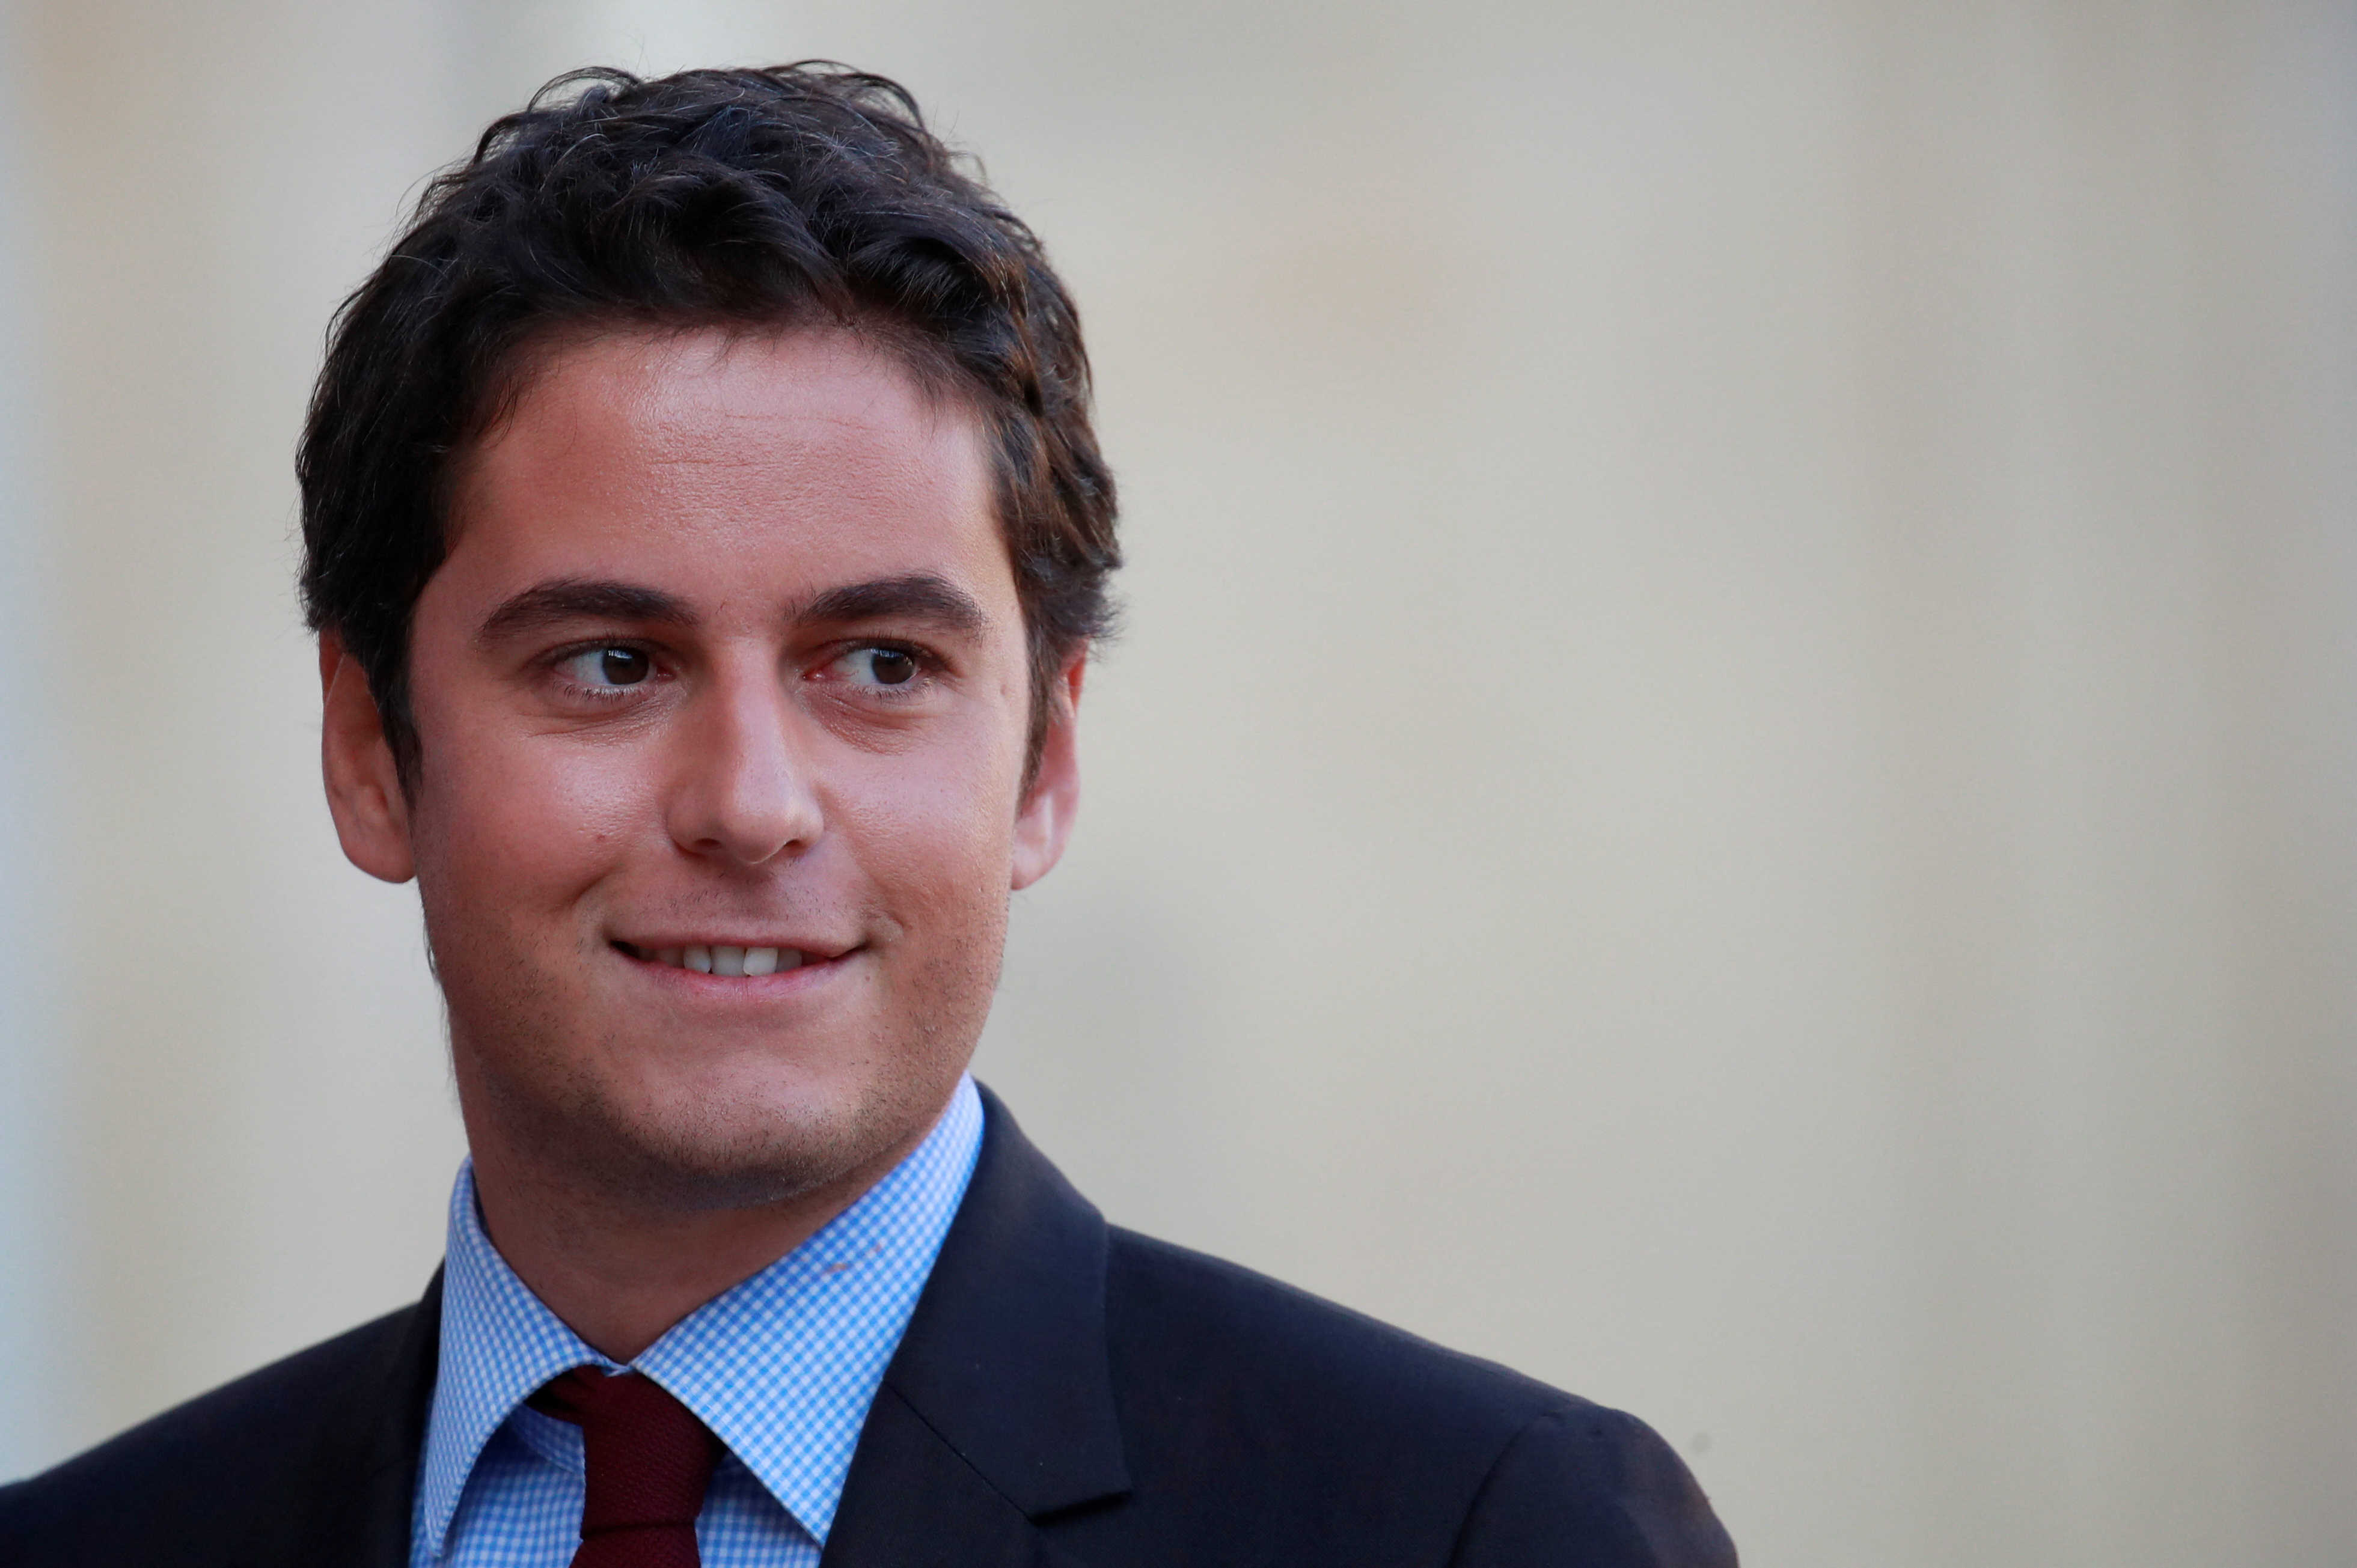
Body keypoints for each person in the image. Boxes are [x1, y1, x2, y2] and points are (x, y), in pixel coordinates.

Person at [0, 64, 1737, 1568]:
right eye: (612, 661)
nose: (752, 802)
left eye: (879, 664)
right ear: (370, 747)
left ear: (1044, 763)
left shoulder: (1465, 1528)